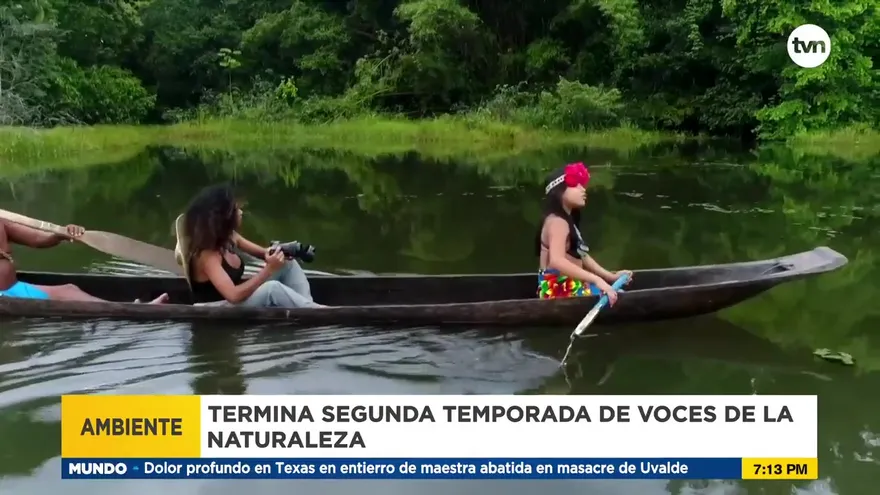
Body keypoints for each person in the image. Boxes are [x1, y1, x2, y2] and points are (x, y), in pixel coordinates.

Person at [177, 183, 324, 308]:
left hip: (235, 301)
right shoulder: (207, 256)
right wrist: (268, 270)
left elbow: (264, 253)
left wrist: (281, 252)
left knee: (287, 263)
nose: (240, 213)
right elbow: (233, 295)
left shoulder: (229, 236)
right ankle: (318, 314)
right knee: (271, 289)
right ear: (223, 217)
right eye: (235, 210)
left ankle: (308, 310)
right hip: (217, 308)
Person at [0, 220, 169, 303]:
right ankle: (137, 311)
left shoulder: (2, 222)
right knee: (70, 293)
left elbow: (38, 239)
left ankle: (135, 310)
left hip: (14, 288)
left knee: (70, 289)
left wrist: (61, 234)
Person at [535, 162, 632, 305]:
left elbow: (583, 256)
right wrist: (597, 280)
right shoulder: (557, 222)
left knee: (617, 294)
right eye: (576, 185)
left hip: (571, 285)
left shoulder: (566, 220)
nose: (583, 190)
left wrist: (610, 276)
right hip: (558, 290)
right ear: (559, 191)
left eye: (582, 185)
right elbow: (556, 260)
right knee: (619, 298)